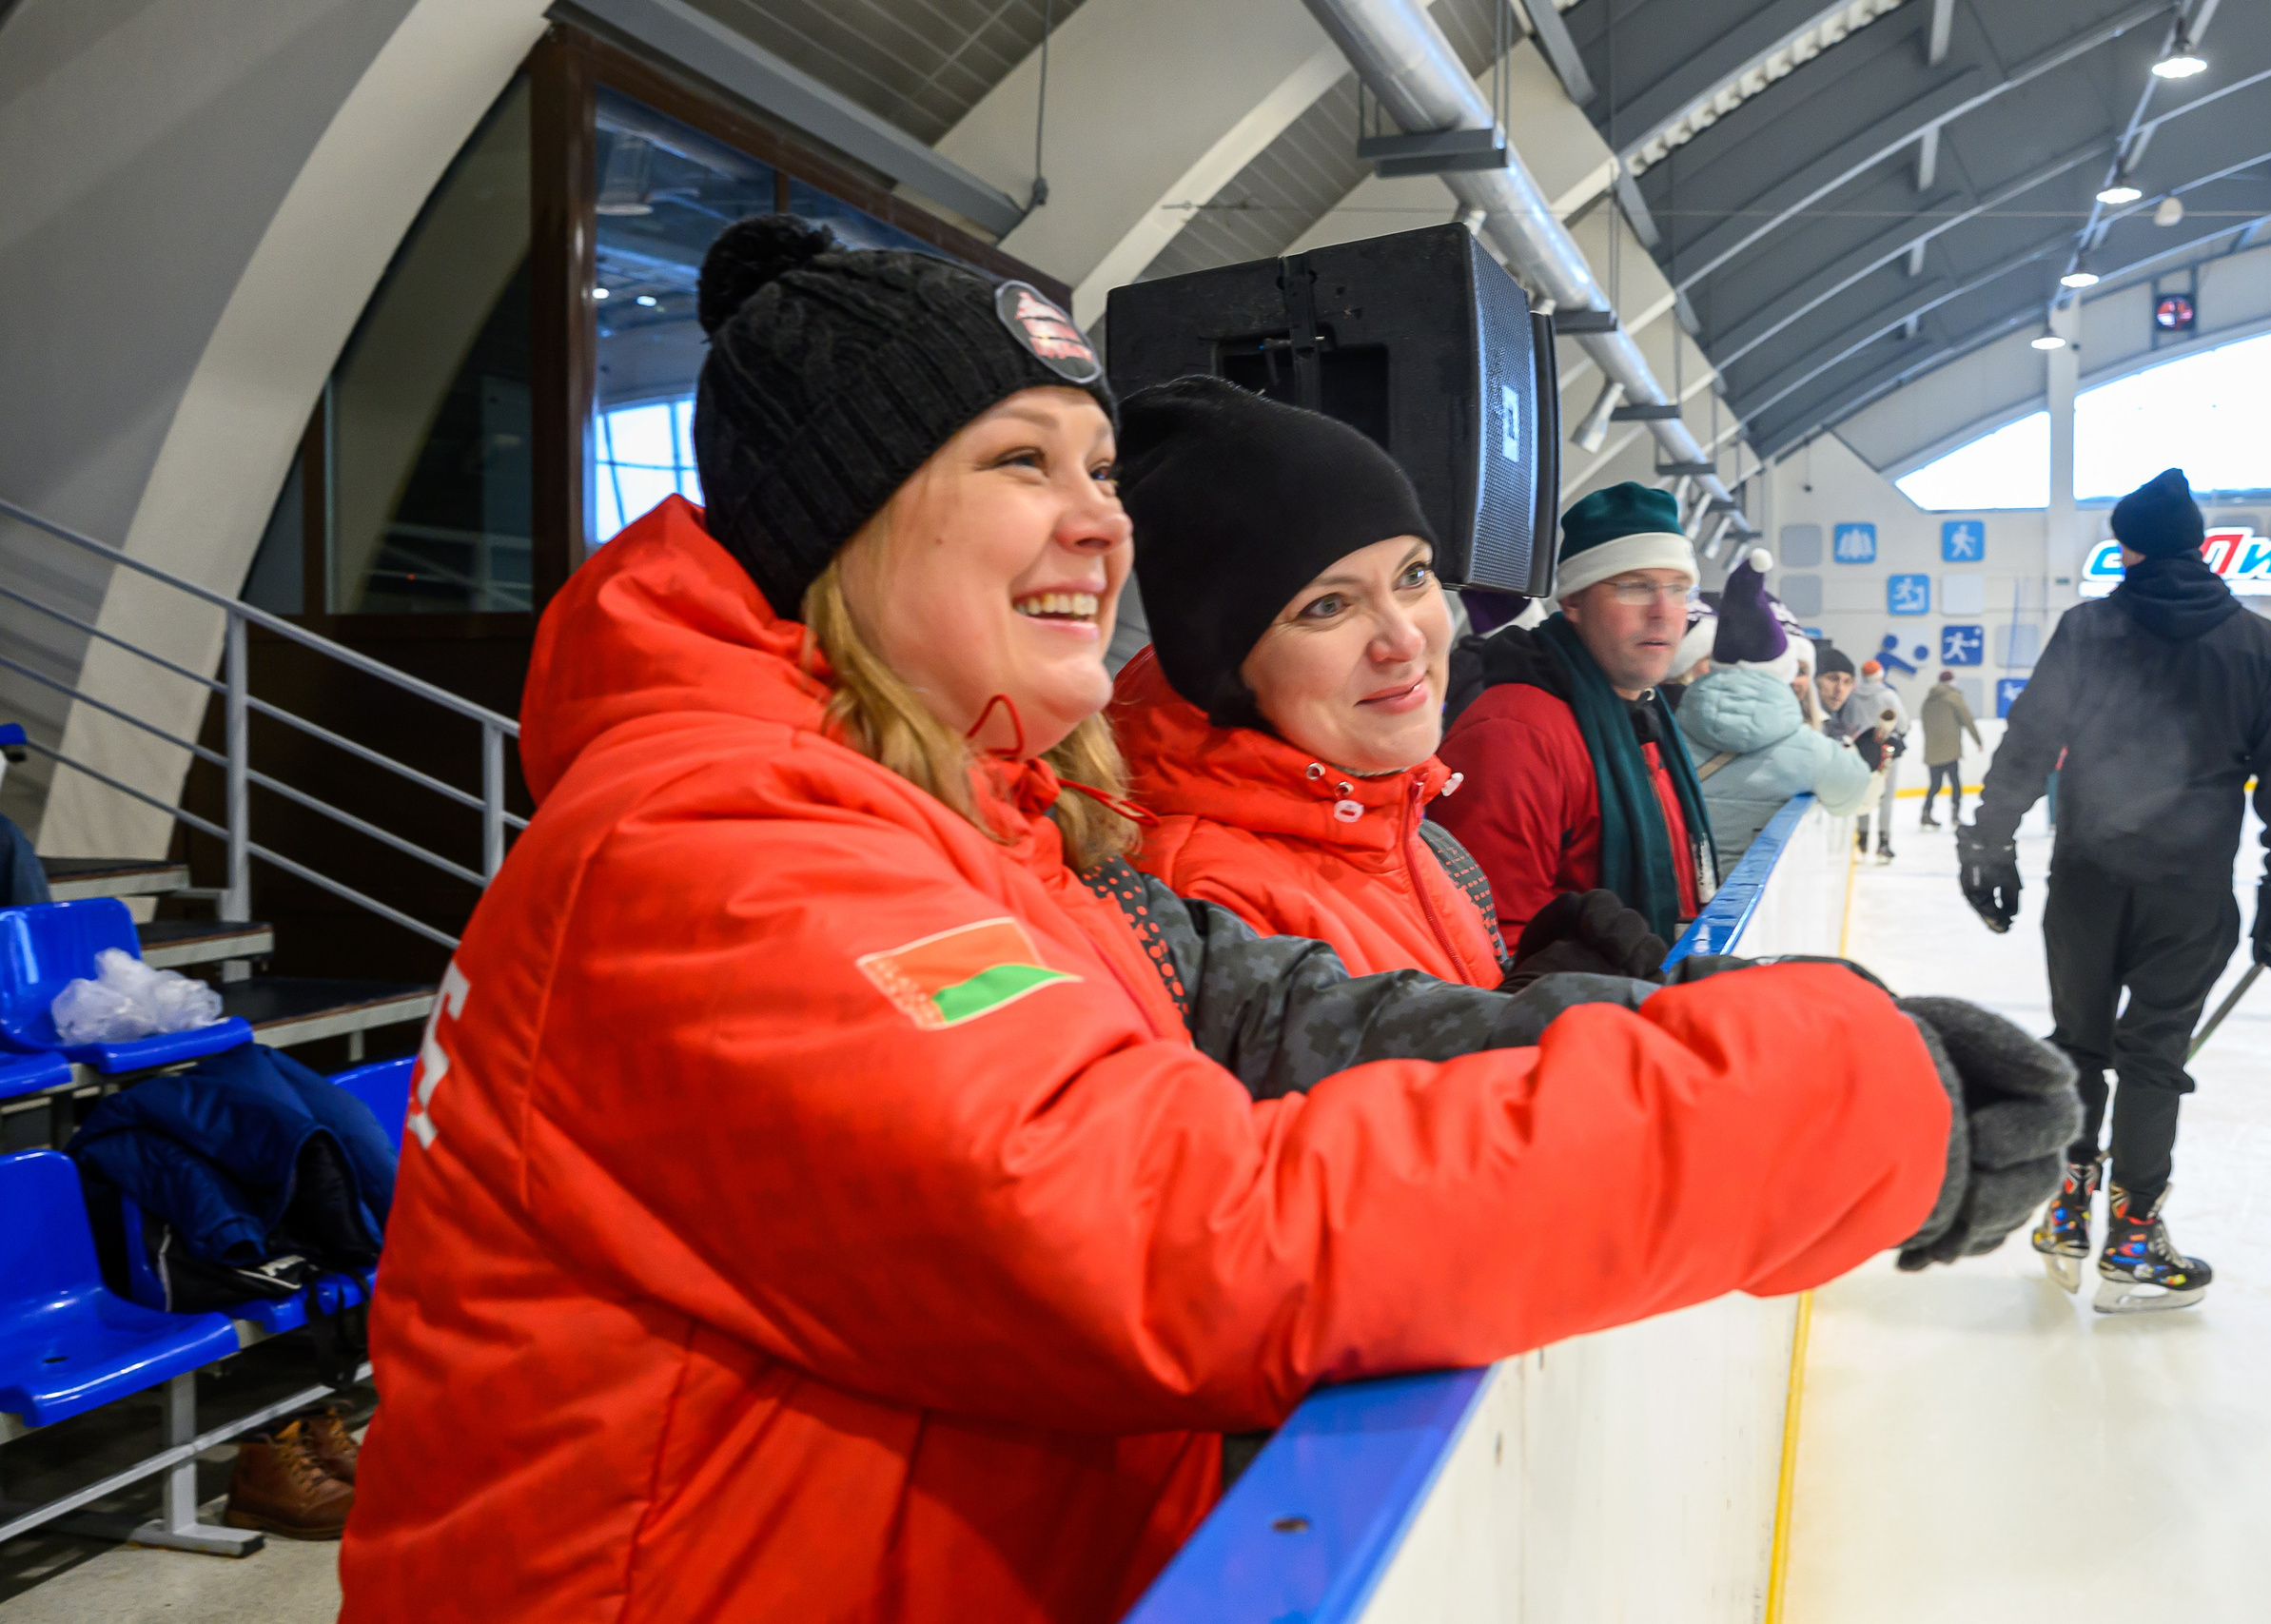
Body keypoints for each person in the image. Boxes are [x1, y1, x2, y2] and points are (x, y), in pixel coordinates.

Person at [342, 217, 2071, 1623]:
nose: (1102, 519)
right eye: (1022, 460)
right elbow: (1190, 1231)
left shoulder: (982, 817)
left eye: (1099, 466)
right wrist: (1824, 1108)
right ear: (845, 524)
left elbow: (1273, 1012)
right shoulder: (713, 857)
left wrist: (1697, 1032)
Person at [1959, 467, 2271, 1315]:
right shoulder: (2260, 644)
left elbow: (2027, 744)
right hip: (2190, 893)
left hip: (2087, 883)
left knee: (2079, 1047)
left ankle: (2066, 1214)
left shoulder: (2089, 629)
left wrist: (1989, 843)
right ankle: (2133, 1241)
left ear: (2127, 550)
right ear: (2199, 546)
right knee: (2153, 1059)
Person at [1104, 377, 1509, 987]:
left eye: (1413, 574)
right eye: (1328, 606)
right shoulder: (1201, 905)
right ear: (1223, 668)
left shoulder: (1401, 826)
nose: (1405, 641)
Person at [1437, 483, 1721, 947]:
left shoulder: (1644, 718)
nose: (1663, 612)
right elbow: (1488, 942)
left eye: (1678, 589)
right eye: (1633, 587)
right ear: (1572, 602)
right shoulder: (1513, 736)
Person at [1674, 552, 1875, 877]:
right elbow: (1853, 795)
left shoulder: (1667, 732)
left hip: (1675, 898)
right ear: (1782, 668)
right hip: (1756, 908)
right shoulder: (1811, 749)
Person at [1840, 657, 1909, 861]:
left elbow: (1846, 723)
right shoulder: (1889, 695)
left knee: (1865, 792)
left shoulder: (1852, 697)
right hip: (1886, 751)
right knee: (1885, 797)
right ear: (1880, 675)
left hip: (1863, 751)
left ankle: (1862, 840)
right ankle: (1883, 842)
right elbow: (1903, 724)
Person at [1917, 670, 1981, 830]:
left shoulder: (1928, 700)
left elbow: (1925, 723)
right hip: (1951, 750)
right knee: (1955, 783)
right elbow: (1967, 719)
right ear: (1952, 681)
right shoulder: (1953, 697)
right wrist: (1978, 740)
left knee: (1935, 785)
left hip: (1933, 750)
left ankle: (1926, 813)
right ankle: (1955, 815)